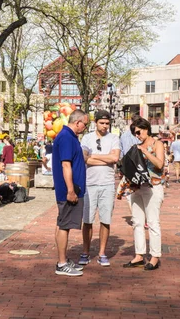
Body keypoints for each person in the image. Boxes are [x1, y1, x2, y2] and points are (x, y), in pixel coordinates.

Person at [79, 110, 120, 267]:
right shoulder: (87, 138)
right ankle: (85, 251)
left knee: (105, 219)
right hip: (89, 183)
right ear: (95, 122)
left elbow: (115, 158)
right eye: (102, 123)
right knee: (87, 220)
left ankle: (102, 252)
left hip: (108, 184)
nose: (104, 126)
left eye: (107, 123)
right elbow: (84, 158)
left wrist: (94, 156)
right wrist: (106, 159)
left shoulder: (114, 138)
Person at [123, 117, 165, 271]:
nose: (137, 135)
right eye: (135, 133)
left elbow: (160, 164)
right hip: (136, 187)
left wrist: (145, 152)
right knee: (137, 222)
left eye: (139, 132)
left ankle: (155, 256)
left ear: (146, 128)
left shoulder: (157, 144)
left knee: (153, 222)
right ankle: (139, 255)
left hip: (153, 187)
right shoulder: (136, 146)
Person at [52, 109, 89, 277]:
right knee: (64, 225)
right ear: (77, 122)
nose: (85, 128)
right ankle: (61, 263)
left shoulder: (70, 137)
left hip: (73, 189)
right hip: (69, 190)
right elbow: (65, 165)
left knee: (63, 224)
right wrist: (70, 190)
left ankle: (63, 260)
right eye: (85, 124)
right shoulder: (66, 137)